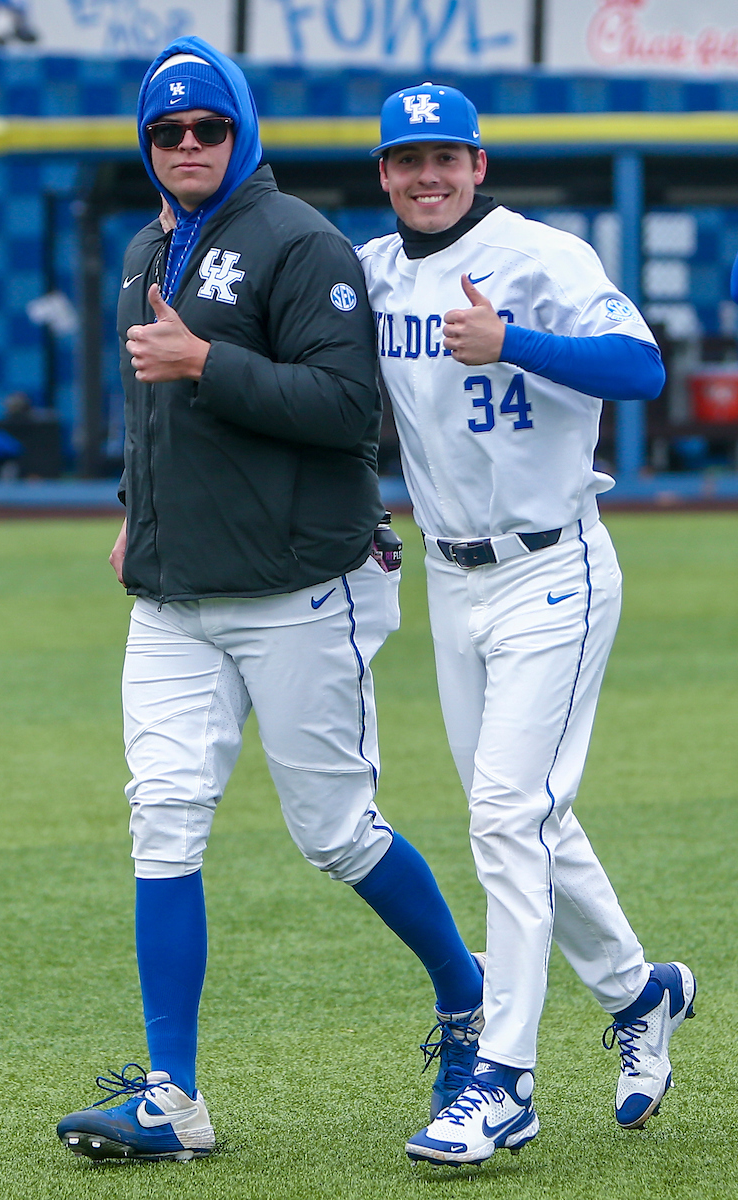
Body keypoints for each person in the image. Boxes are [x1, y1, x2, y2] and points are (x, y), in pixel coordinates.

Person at [56, 41, 486, 1163]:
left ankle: (466, 994)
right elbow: (156, 415)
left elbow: (348, 410)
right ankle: (172, 1095)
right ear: (145, 146)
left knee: (336, 834)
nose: (188, 145)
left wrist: (205, 361)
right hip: (174, 593)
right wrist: (131, 510)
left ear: (242, 131)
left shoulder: (303, 242)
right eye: (166, 132)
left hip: (302, 589)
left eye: (207, 127)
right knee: (162, 819)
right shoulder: (150, 243)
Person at [356, 82, 696, 1167]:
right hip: (450, 581)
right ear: (383, 174)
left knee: (504, 814)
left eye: (444, 157)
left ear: (477, 164)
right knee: (526, 818)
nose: (426, 175)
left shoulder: (540, 256)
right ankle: (640, 992)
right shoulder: (368, 271)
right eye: (407, 159)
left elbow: (639, 367)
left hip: (554, 565)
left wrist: (511, 339)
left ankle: (500, 1081)